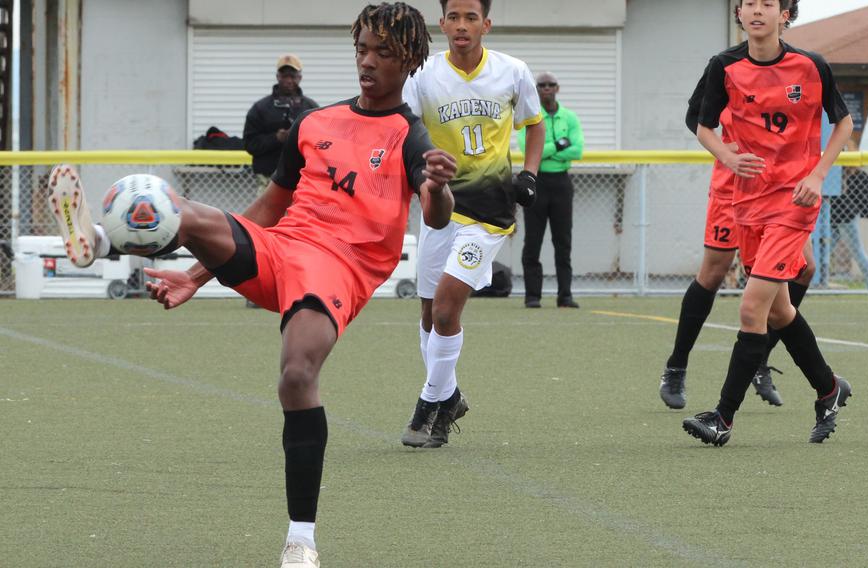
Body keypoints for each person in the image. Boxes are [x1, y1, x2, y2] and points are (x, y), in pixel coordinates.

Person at [48, 4, 454, 566]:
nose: (367, 61)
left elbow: (434, 216)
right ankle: (97, 239)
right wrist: (195, 278)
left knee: (295, 376)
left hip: (339, 267)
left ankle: (301, 540)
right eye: (361, 48)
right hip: (279, 248)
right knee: (182, 209)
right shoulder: (315, 124)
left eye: (383, 52)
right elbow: (266, 209)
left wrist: (437, 185)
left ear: (409, 59)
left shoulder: (410, 137)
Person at [682, 0, 854, 446]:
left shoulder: (810, 66)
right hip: (749, 203)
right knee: (779, 310)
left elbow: (843, 123)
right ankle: (829, 388)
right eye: (749, 3)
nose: (757, 10)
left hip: (795, 202)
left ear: (786, 14)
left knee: (751, 307)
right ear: (739, 13)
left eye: (768, 4)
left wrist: (816, 176)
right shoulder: (725, 66)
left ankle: (722, 418)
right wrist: (728, 157)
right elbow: (701, 125)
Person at [399, 0, 544, 448]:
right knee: (427, 313)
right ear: (441, 24)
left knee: (445, 309)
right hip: (438, 207)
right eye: (454, 17)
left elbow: (535, 125)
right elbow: (402, 133)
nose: (462, 26)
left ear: (487, 24)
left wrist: (530, 174)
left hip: (489, 214)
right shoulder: (421, 76)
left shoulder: (513, 71)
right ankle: (451, 396)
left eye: (471, 17)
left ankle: (427, 409)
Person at [659, 78, 818, 411]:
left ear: (784, 21)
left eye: (771, 19)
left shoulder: (797, 68)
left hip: (777, 189)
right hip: (732, 188)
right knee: (714, 273)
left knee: (804, 269)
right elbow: (695, 117)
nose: (757, 22)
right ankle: (676, 366)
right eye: (748, 20)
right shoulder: (727, 65)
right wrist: (722, 149)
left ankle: (760, 359)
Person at [517, 72, 585, 309]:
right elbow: (527, 149)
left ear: (558, 88)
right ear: (536, 89)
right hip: (537, 180)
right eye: (541, 85)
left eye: (551, 85)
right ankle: (532, 296)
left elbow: (577, 150)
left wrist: (544, 150)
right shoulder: (531, 117)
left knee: (563, 240)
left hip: (561, 184)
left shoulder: (570, 117)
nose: (546, 88)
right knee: (533, 241)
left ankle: (565, 296)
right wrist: (557, 145)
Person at [243, 53, 319, 180]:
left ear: (300, 77)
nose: (288, 80)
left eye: (293, 76)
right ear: (278, 76)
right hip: (267, 177)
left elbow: (320, 143)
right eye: (285, 76)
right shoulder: (260, 108)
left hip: (301, 179)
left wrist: (297, 137)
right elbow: (249, 144)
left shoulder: (311, 108)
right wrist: (276, 138)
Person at [830, 141, 868, 290]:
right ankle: (817, 282)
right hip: (833, 217)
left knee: (858, 251)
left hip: (847, 217)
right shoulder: (831, 167)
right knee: (824, 250)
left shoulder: (851, 172)